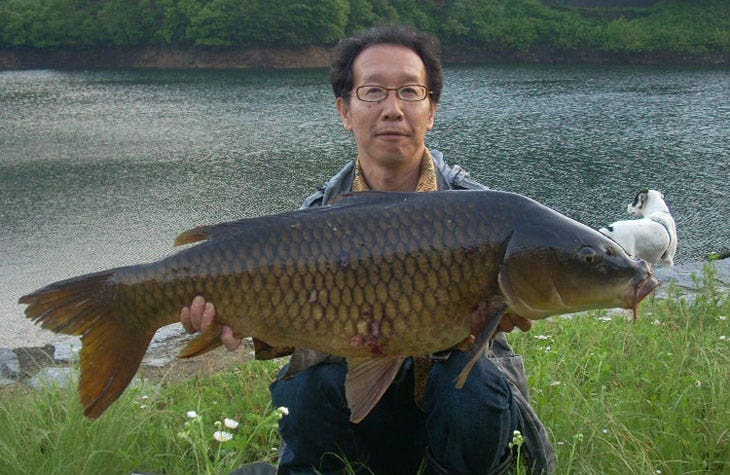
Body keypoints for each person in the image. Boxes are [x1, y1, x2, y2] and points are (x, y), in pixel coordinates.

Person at [181, 24, 555, 475]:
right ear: (346, 110)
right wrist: (234, 320)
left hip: (454, 416)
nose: (393, 110)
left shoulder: (482, 211)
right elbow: (293, 330)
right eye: (374, 92)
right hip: (367, 409)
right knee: (302, 388)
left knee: (470, 386)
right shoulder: (318, 214)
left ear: (431, 109)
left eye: (410, 92)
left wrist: (484, 325)